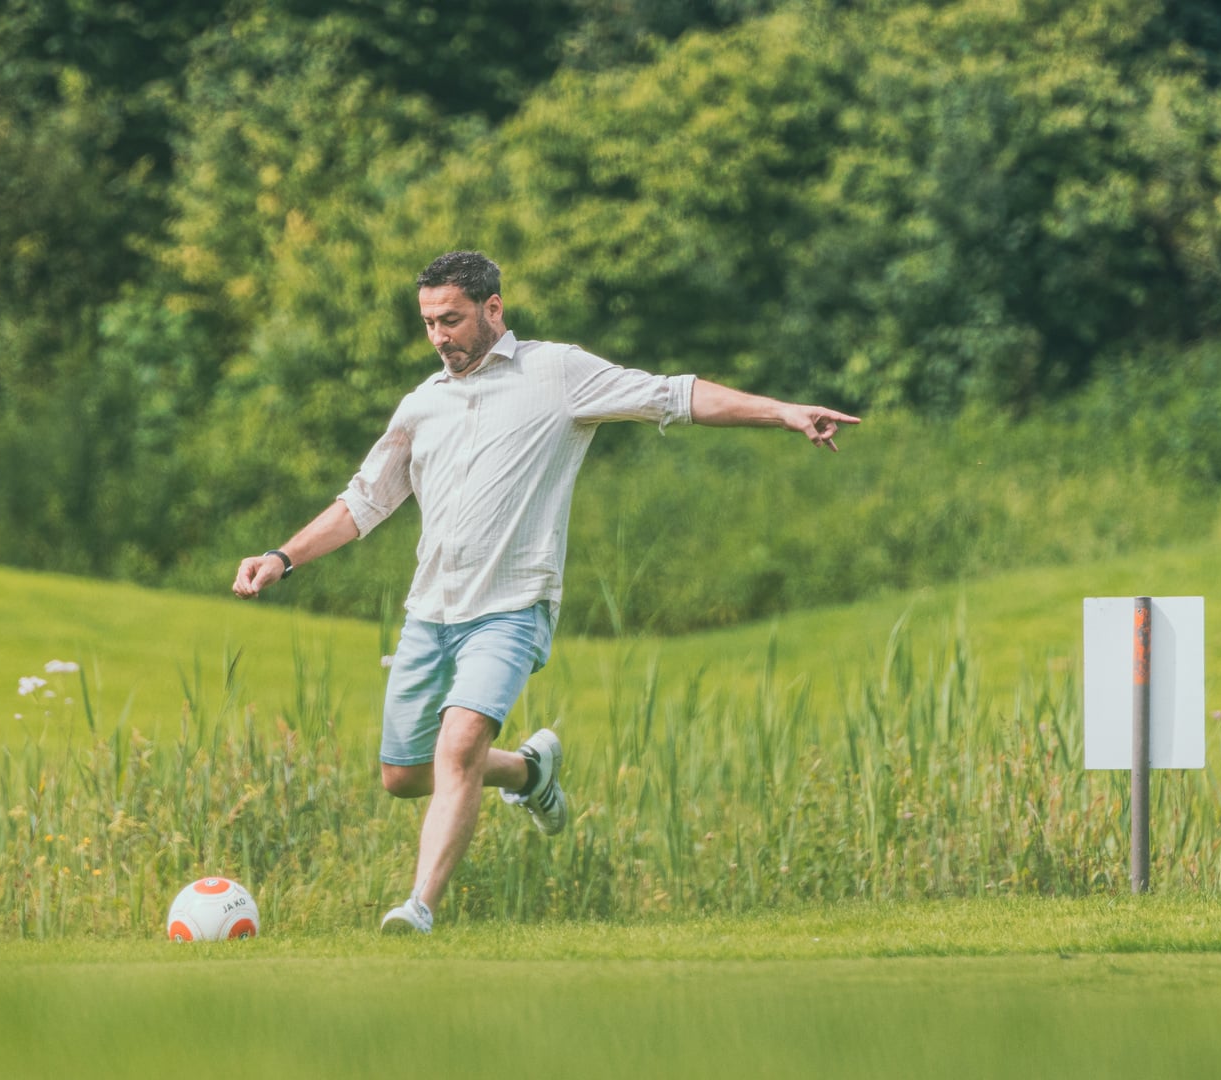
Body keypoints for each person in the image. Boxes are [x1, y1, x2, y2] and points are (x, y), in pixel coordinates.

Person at [233, 251, 860, 934]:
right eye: (428, 323)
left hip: (513, 606)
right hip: (430, 612)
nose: (440, 336)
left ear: (493, 309)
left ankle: (418, 909)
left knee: (459, 744)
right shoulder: (423, 404)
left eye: (452, 319)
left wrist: (783, 412)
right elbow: (364, 502)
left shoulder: (557, 374)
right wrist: (282, 556)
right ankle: (530, 774)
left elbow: (673, 394)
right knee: (406, 775)